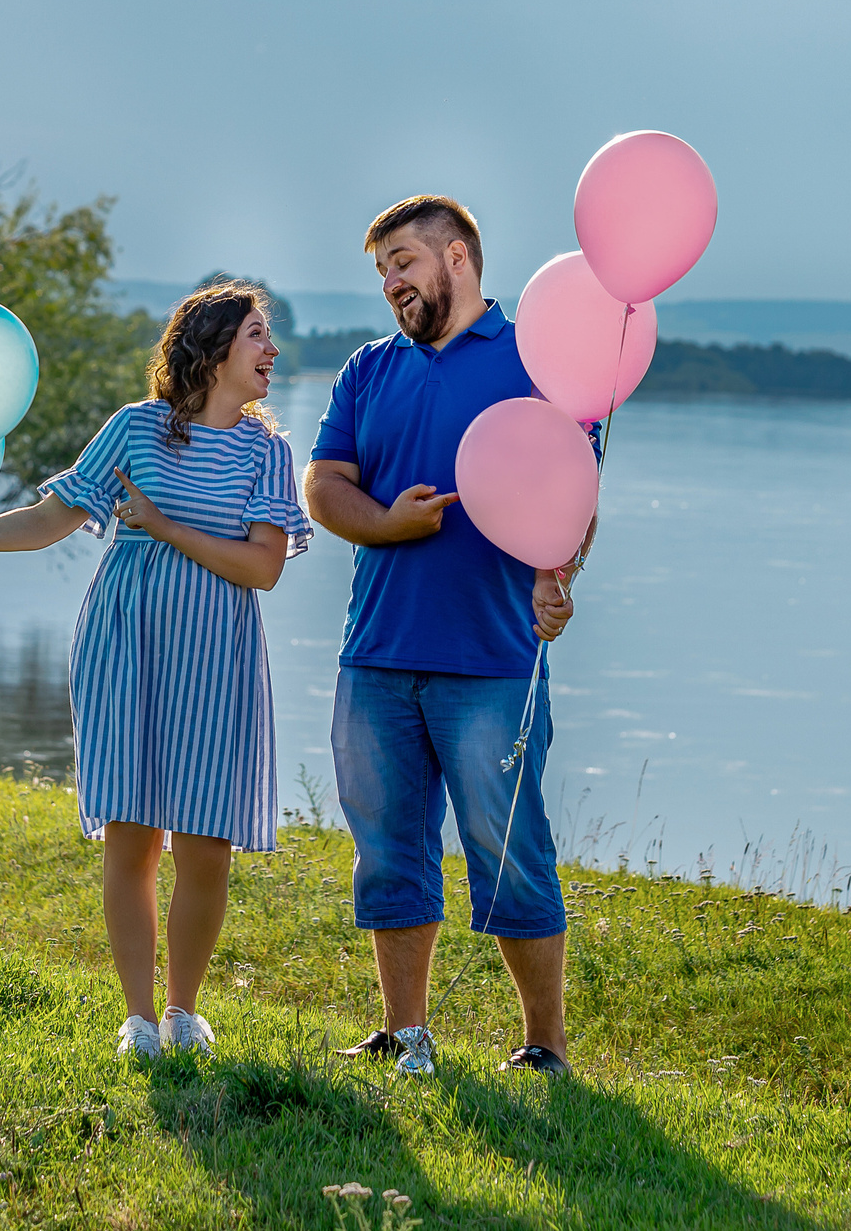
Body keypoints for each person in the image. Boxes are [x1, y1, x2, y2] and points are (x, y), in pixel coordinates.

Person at [0, 284, 310, 1061]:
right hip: (124, 642)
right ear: (215, 345)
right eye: (259, 335)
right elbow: (53, 518)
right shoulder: (134, 428)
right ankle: (138, 1020)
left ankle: (185, 1012)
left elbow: (262, 568)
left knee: (205, 841)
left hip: (214, 651)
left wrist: (159, 523)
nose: (273, 351)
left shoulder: (269, 451)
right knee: (132, 835)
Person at [304, 194, 583, 1080]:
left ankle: (544, 1045)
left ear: (457, 256)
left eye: (403, 261)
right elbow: (323, 484)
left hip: (491, 659)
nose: (391, 282)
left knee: (511, 854)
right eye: (382, 268)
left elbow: (571, 491)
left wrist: (557, 574)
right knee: (387, 852)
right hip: (377, 654)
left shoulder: (534, 363)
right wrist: (388, 524)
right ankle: (405, 1033)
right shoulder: (367, 369)